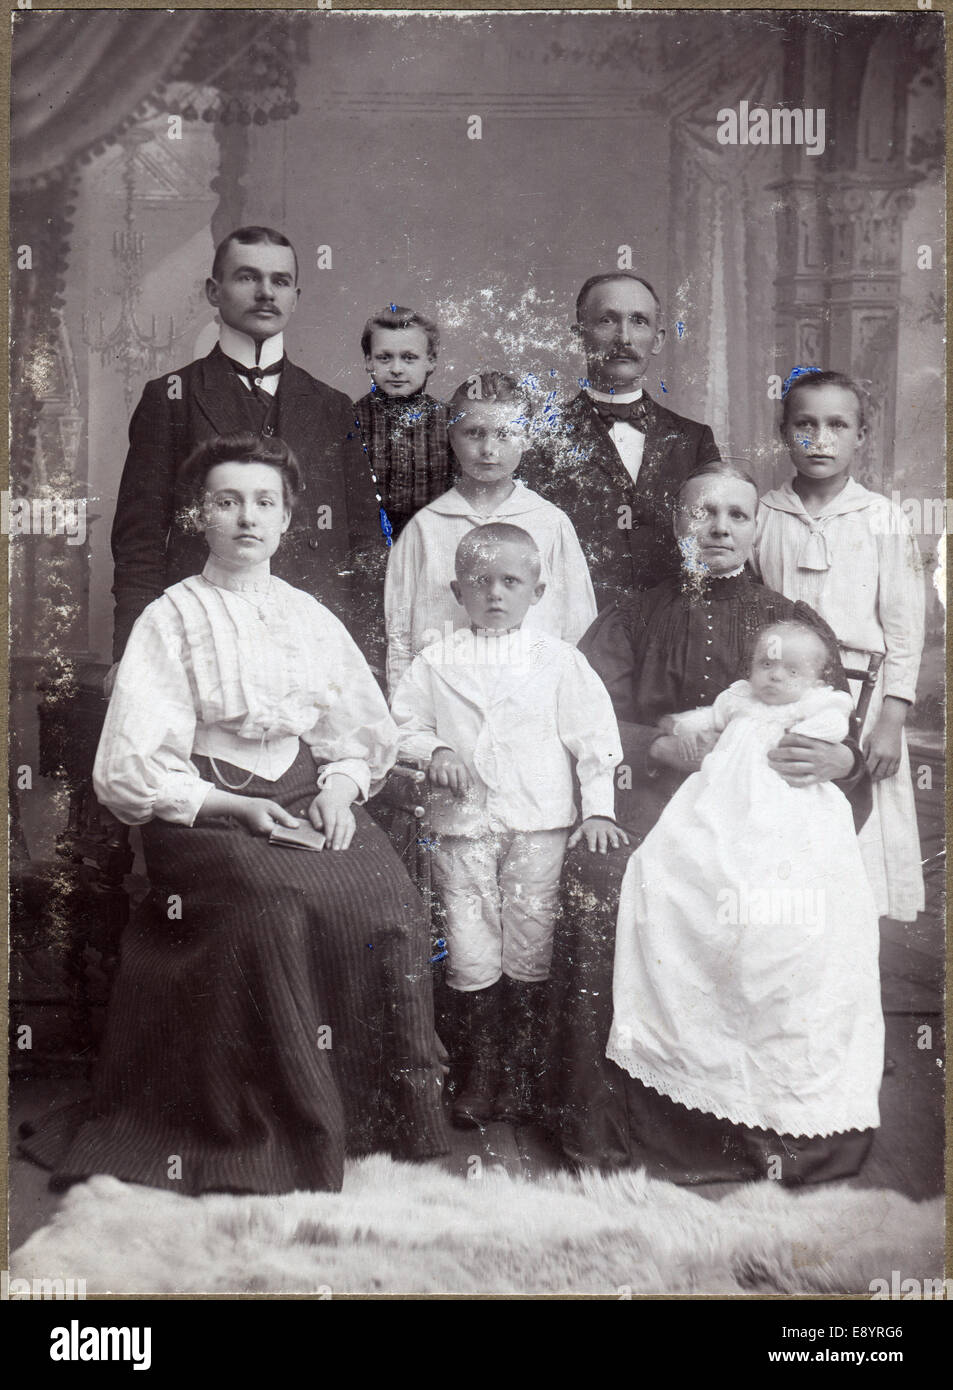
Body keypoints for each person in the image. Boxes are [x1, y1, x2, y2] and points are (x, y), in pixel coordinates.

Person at [21, 432, 449, 1196]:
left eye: (264, 502)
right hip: (202, 812)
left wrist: (340, 789)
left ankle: (378, 1119)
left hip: (301, 793)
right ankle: (273, 1128)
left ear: (287, 519)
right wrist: (233, 807)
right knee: (275, 901)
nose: (246, 517)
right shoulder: (171, 617)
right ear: (198, 516)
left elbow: (357, 730)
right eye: (227, 501)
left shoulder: (309, 616)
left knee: (388, 900)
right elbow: (131, 767)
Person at [546, 460, 873, 1184]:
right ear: (676, 524)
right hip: (652, 796)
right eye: (703, 513)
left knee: (788, 903)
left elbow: (839, 739)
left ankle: (767, 1126)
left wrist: (840, 764)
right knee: (602, 879)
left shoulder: (792, 622)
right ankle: (613, 1128)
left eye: (735, 515)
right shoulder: (632, 614)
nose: (719, 528)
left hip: (771, 813)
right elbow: (578, 714)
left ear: (755, 529)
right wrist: (653, 744)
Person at [608, 620, 883, 1157]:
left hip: (789, 818)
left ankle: (779, 1106)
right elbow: (699, 720)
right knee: (667, 875)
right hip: (718, 813)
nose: (776, 675)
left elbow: (836, 735)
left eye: (792, 669)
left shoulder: (817, 707)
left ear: (817, 678)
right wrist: (675, 726)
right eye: (766, 664)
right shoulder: (738, 701)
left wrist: (840, 750)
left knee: (789, 920)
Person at [391, 523, 626, 1129]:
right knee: (470, 940)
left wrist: (598, 807)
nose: (495, 593)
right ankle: (480, 1070)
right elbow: (403, 727)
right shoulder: (436, 661)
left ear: (537, 591)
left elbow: (594, 741)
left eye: (510, 581)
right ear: (457, 589)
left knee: (530, 935)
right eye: (480, 581)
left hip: (538, 822)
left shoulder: (560, 662)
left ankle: (522, 1073)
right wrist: (435, 752)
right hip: (463, 826)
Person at [110, 225, 382, 666]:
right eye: (247, 278)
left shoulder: (332, 407)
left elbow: (365, 542)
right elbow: (138, 541)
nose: (265, 293)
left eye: (279, 281)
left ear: (296, 295)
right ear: (214, 292)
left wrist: (367, 651)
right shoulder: (171, 397)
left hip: (312, 637)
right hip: (203, 635)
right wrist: (132, 652)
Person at [754, 370, 925, 922]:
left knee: (856, 845)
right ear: (784, 432)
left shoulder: (882, 517)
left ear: (861, 436)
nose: (820, 438)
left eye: (837, 425)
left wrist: (892, 719)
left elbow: (904, 628)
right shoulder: (762, 514)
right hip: (780, 693)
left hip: (862, 697)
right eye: (805, 424)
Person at [384, 371, 596, 694]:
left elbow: (579, 632)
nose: (488, 449)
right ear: (452, 436)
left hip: (532, 699)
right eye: (474, 433)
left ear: (526, 437)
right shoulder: (424, 527)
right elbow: (399, 638)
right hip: (444, 700)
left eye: (504, 434)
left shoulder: (551, 523)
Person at [521, 271, 720, 609]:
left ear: (657, 340)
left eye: (638, 321)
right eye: (607, 321)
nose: (624, 337)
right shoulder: (541, 440)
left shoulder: (693, 440)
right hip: (581, 628)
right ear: (579, 337)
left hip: (674, 628)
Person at [353, 305, 451, 542]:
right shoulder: (349, 419)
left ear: (431, 361)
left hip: (435, 543)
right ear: (368, 361)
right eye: (384, 358)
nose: (396, 369)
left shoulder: (449, 421)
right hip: (368, 544)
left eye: (409, 358)